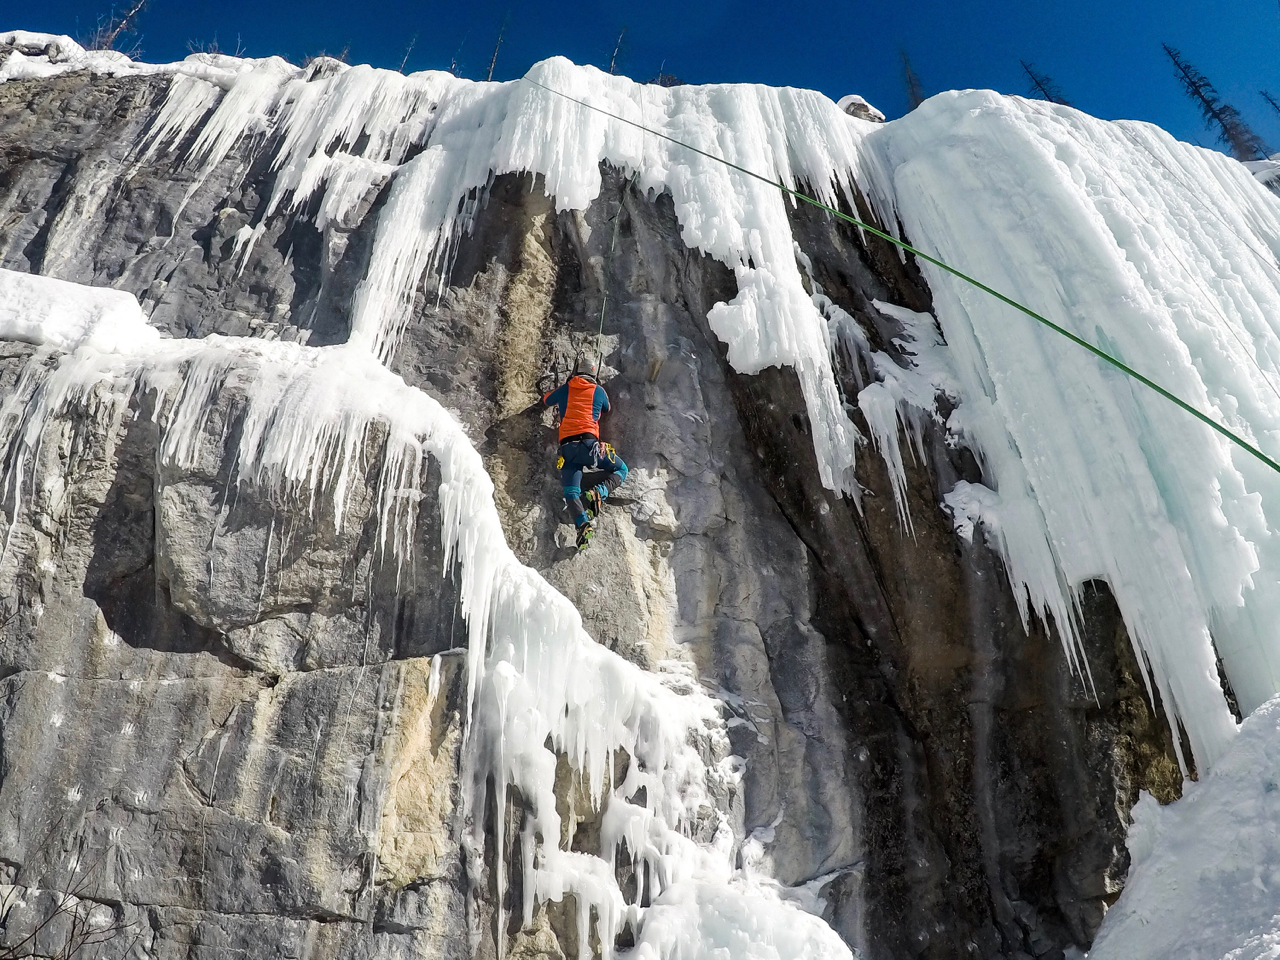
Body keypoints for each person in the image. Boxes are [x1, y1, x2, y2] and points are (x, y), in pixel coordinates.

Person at [539, 357, 628, 550]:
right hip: (590, 447)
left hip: (568, 450)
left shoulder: (566, 389)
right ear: (594, 375)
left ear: (576, 372)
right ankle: (600, 492)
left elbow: (547, 399)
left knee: (571, 491)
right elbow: (607, 408)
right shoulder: (599, 391)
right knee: (621, 469)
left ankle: (582, 524)